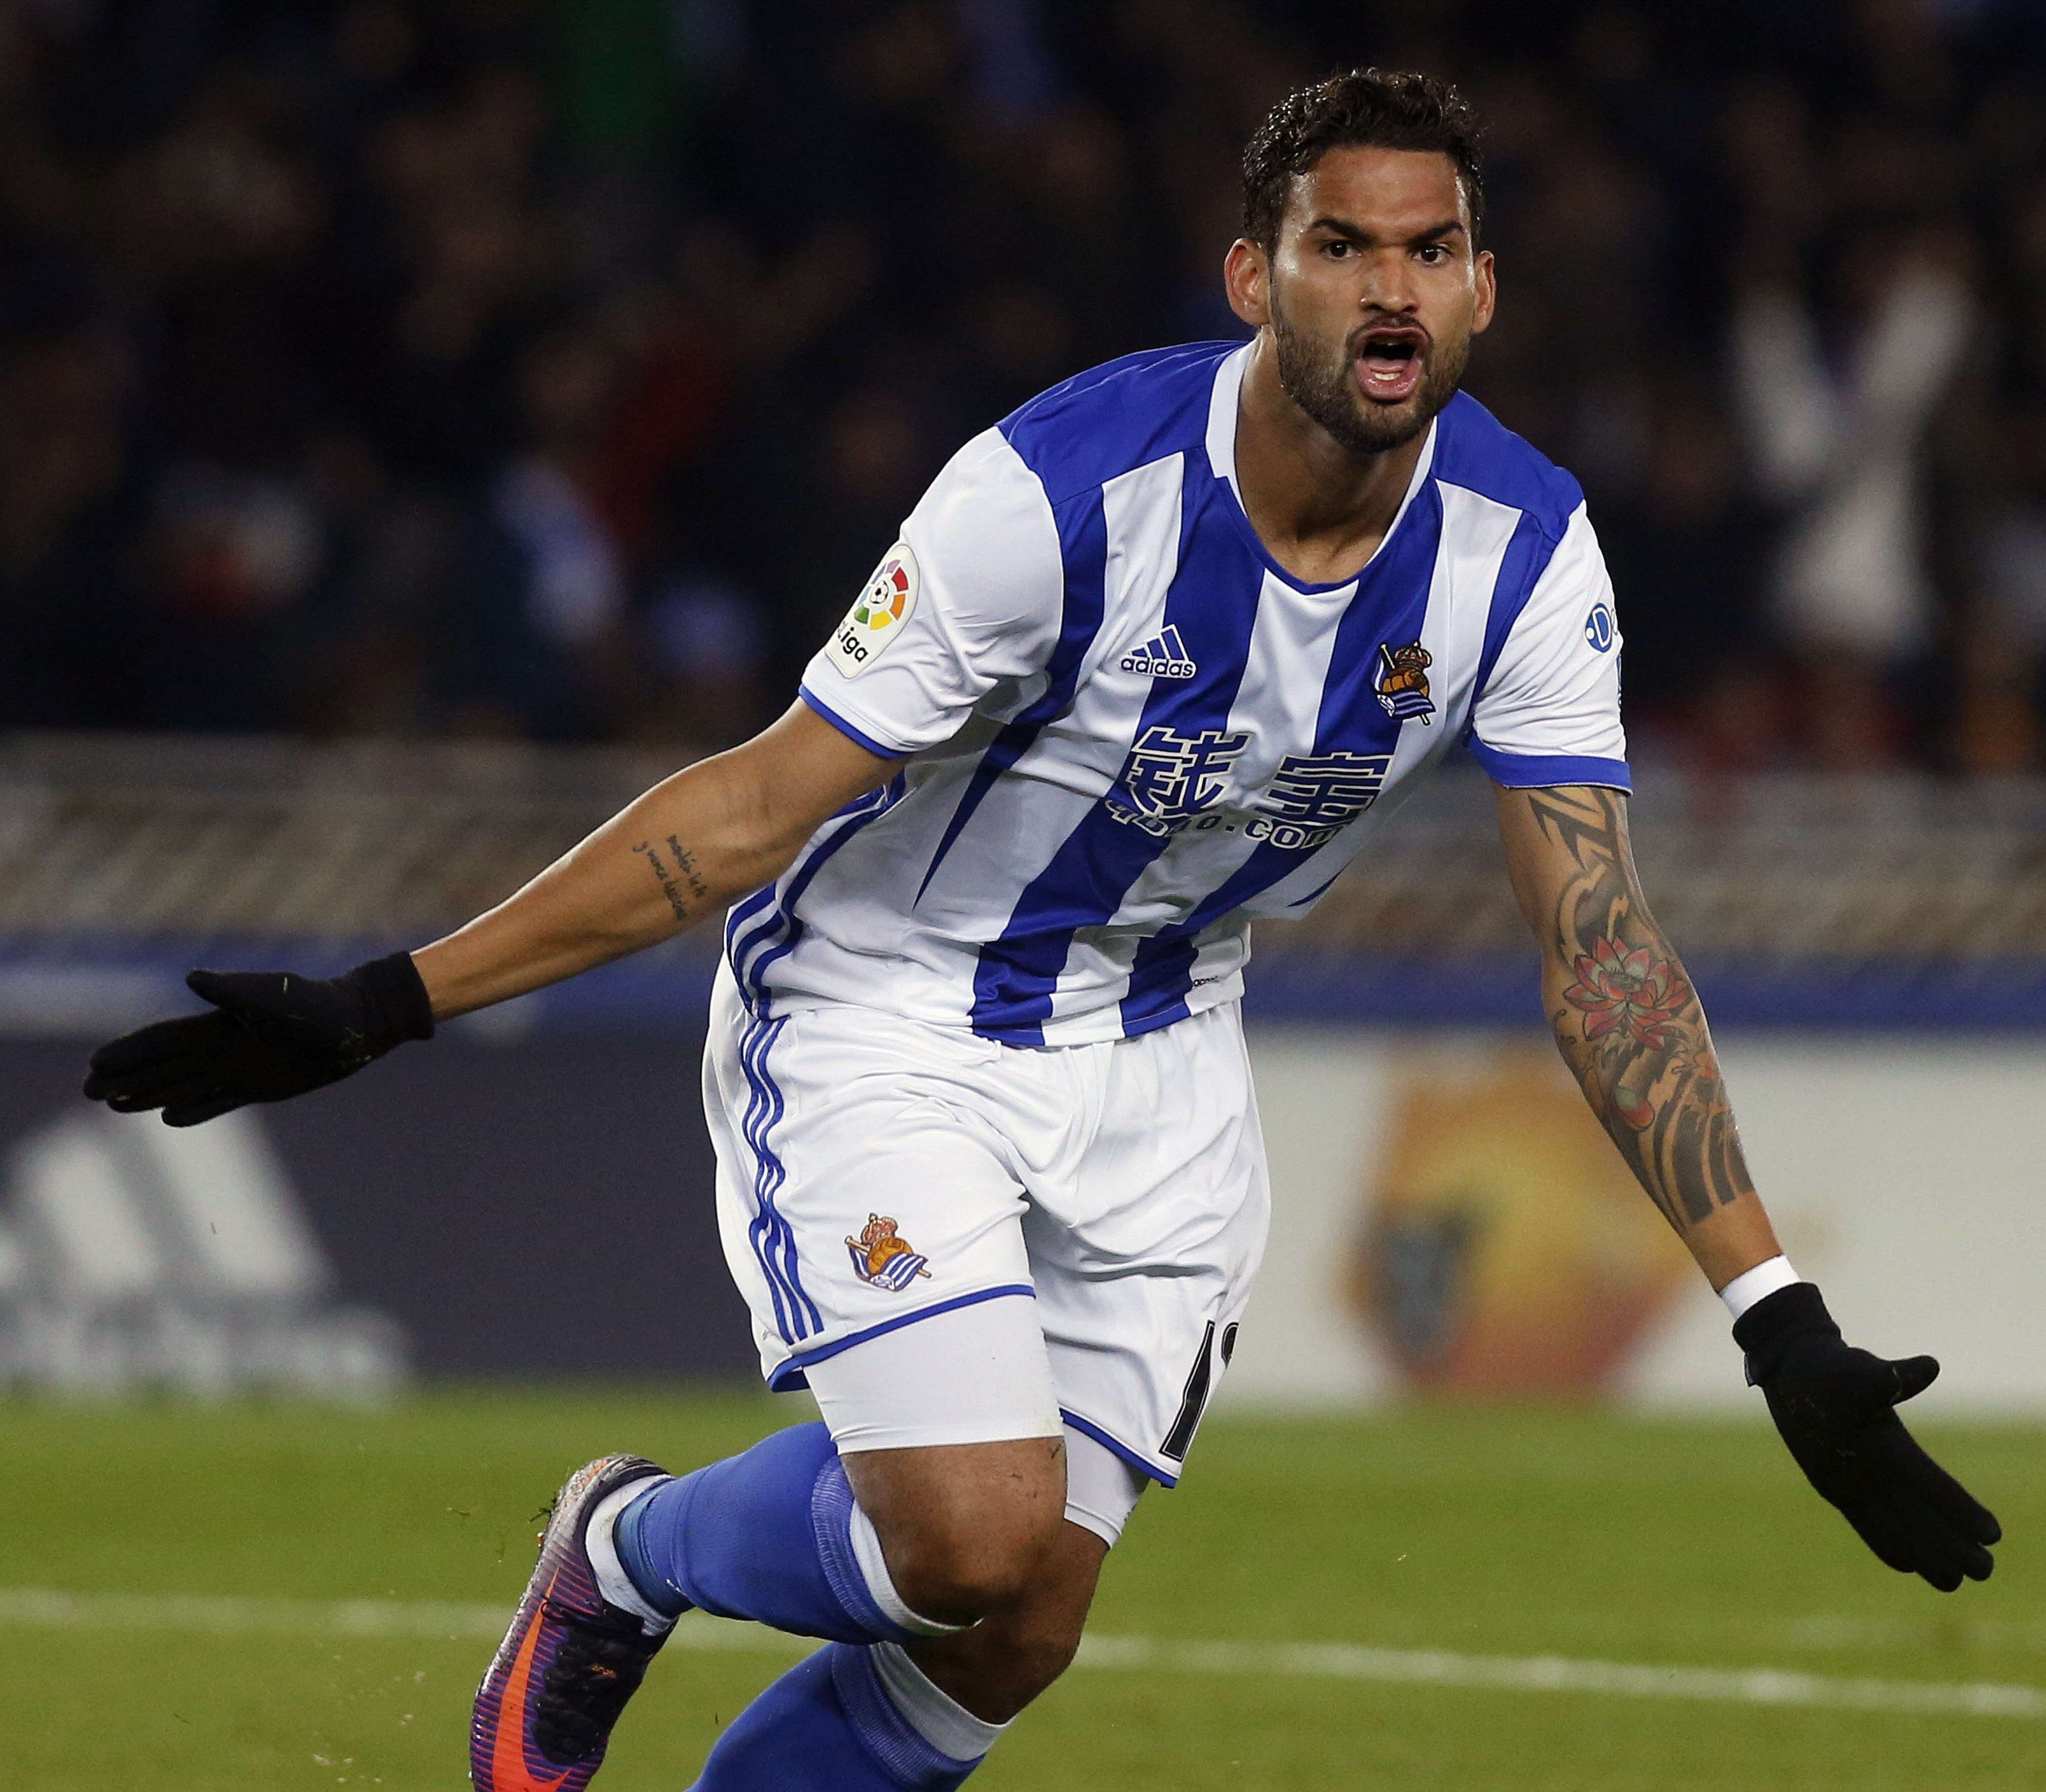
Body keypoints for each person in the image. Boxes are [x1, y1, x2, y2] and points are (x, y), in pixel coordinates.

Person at [83, 69, 2000, 1792]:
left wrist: (1781, 1323)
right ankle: (623, 1556)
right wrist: (380, 1003)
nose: (1392, 291)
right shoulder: (1062, 492)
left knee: (1012, 1640)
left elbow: (1600, 946)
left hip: (1168, 1055)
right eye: (1343, 247)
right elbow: (755, 803)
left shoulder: (1528, 549)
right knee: (969, 1538)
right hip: (892, 1009)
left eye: (1435, 251)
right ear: (1254, 275)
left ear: (1489, 288)